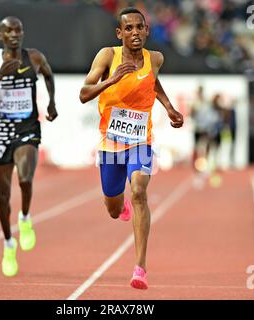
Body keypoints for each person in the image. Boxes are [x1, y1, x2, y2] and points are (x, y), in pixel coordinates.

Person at [79, 7, 184, 289]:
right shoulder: (107, 56)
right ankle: (118, 204)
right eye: (129, 28)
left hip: (141, 140)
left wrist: (170, 108)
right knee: (113, 209)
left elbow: (153, 83)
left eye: (140, 27)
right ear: (119, 33)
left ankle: (140, 268)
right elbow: (83, 94)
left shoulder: (155, 59)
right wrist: (111, 79)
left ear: (147, 30)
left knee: (139, 191)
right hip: (111, 143)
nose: (135, 33)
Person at [0, 16, 57, 277]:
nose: (14, 34)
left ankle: (24, 217)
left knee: (25, 179)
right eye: (8, 31)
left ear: (23, 33)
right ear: (1, 35)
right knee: (1, 195)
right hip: (0, 133)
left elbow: (48, 74)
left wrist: (51, 103)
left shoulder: (33, 57)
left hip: (27, 129)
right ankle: (8, 243)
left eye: (18, 30)